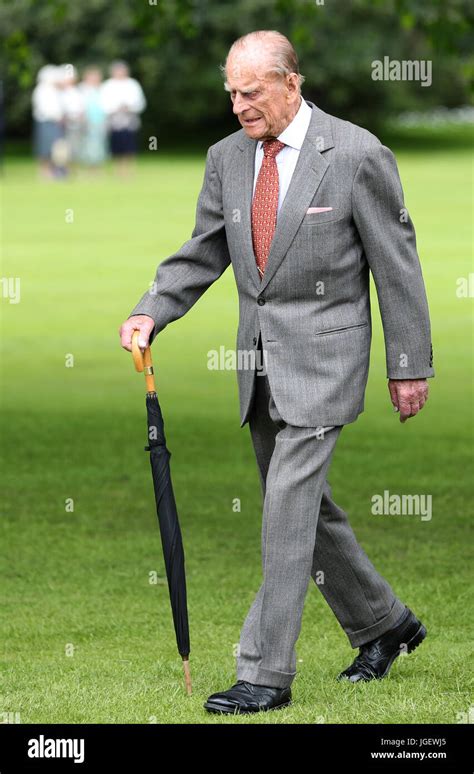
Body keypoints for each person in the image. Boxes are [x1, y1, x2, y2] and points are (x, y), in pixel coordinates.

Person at [119, 30, 434, 715]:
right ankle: (386, 625)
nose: (237, 106)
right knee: (306, 511)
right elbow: (203, 251)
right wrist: (151, 311)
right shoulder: (227, 159)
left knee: (285, 510)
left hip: (328, 360)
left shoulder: (354, 153)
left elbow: (397, 265)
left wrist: (408, 365)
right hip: (257, 364)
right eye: (230, 93)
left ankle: (265, 672)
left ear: (292, 83)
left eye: (250, 92)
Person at [101, 61, 146, 175]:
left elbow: (140, 102)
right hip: (114, 121)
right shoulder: (108, 85)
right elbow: (103, 103)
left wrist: (129, 107)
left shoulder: (133, 84)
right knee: (117, 146)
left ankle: (129, 170)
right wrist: (114, 108)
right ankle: (118, 170)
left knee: (129, 146)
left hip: (129, 120)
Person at [32, 65, 64, 179]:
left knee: (54, 150)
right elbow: (45, 109)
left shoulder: (55, 90)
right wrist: (56, 116)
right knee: (45, 148)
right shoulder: (42, 90)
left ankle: (53, 172)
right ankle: (44, 172)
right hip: (46, 122)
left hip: (55, 123)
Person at [79, 66, 108, 170]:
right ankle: (88, 169)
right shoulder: (81, 89)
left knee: (99, 146)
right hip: (85, 123)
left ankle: (97, 169)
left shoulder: (104, 88)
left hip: (100, 122)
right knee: (86, 146)